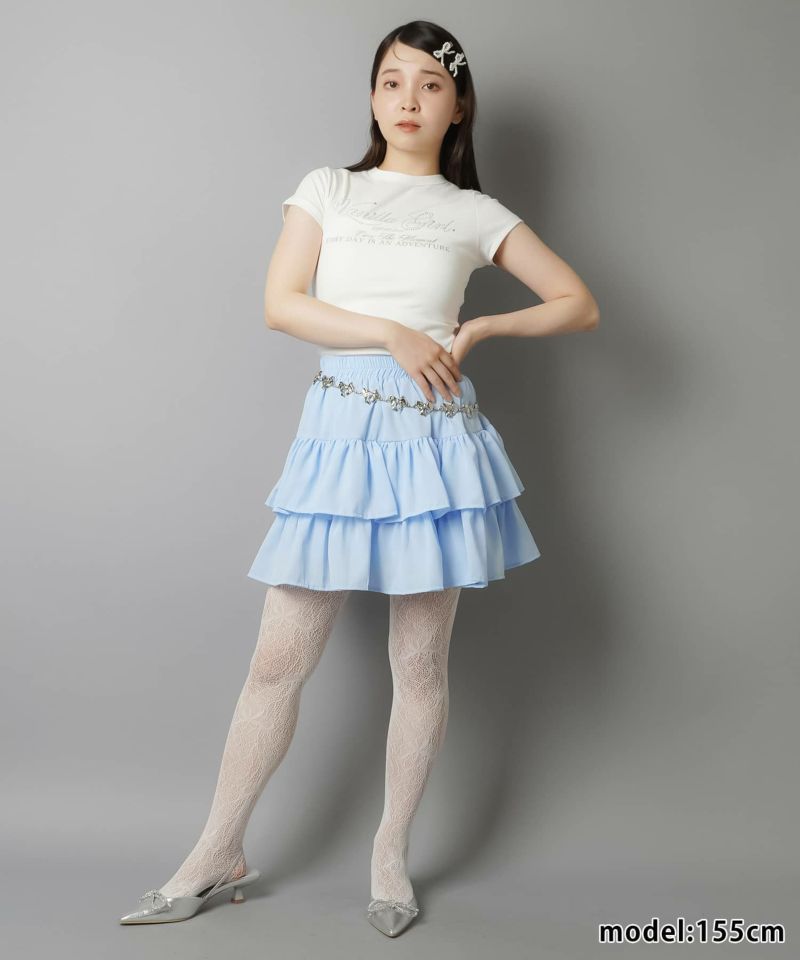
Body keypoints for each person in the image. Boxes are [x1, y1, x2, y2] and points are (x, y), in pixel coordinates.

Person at [119, 19, 599, 938]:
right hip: (340, 437)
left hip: (433, 444)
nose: (407, 100)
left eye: (429, 84)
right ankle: (215, 852)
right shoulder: (327, 188)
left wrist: (483, 328)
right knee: (277, 662)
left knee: (418, 665)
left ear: (458, 105)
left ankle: (390, 857)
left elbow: (578, 303)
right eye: (391, 81)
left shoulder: (474, 212)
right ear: (373, 96)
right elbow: (281, 305)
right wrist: (389, 332)